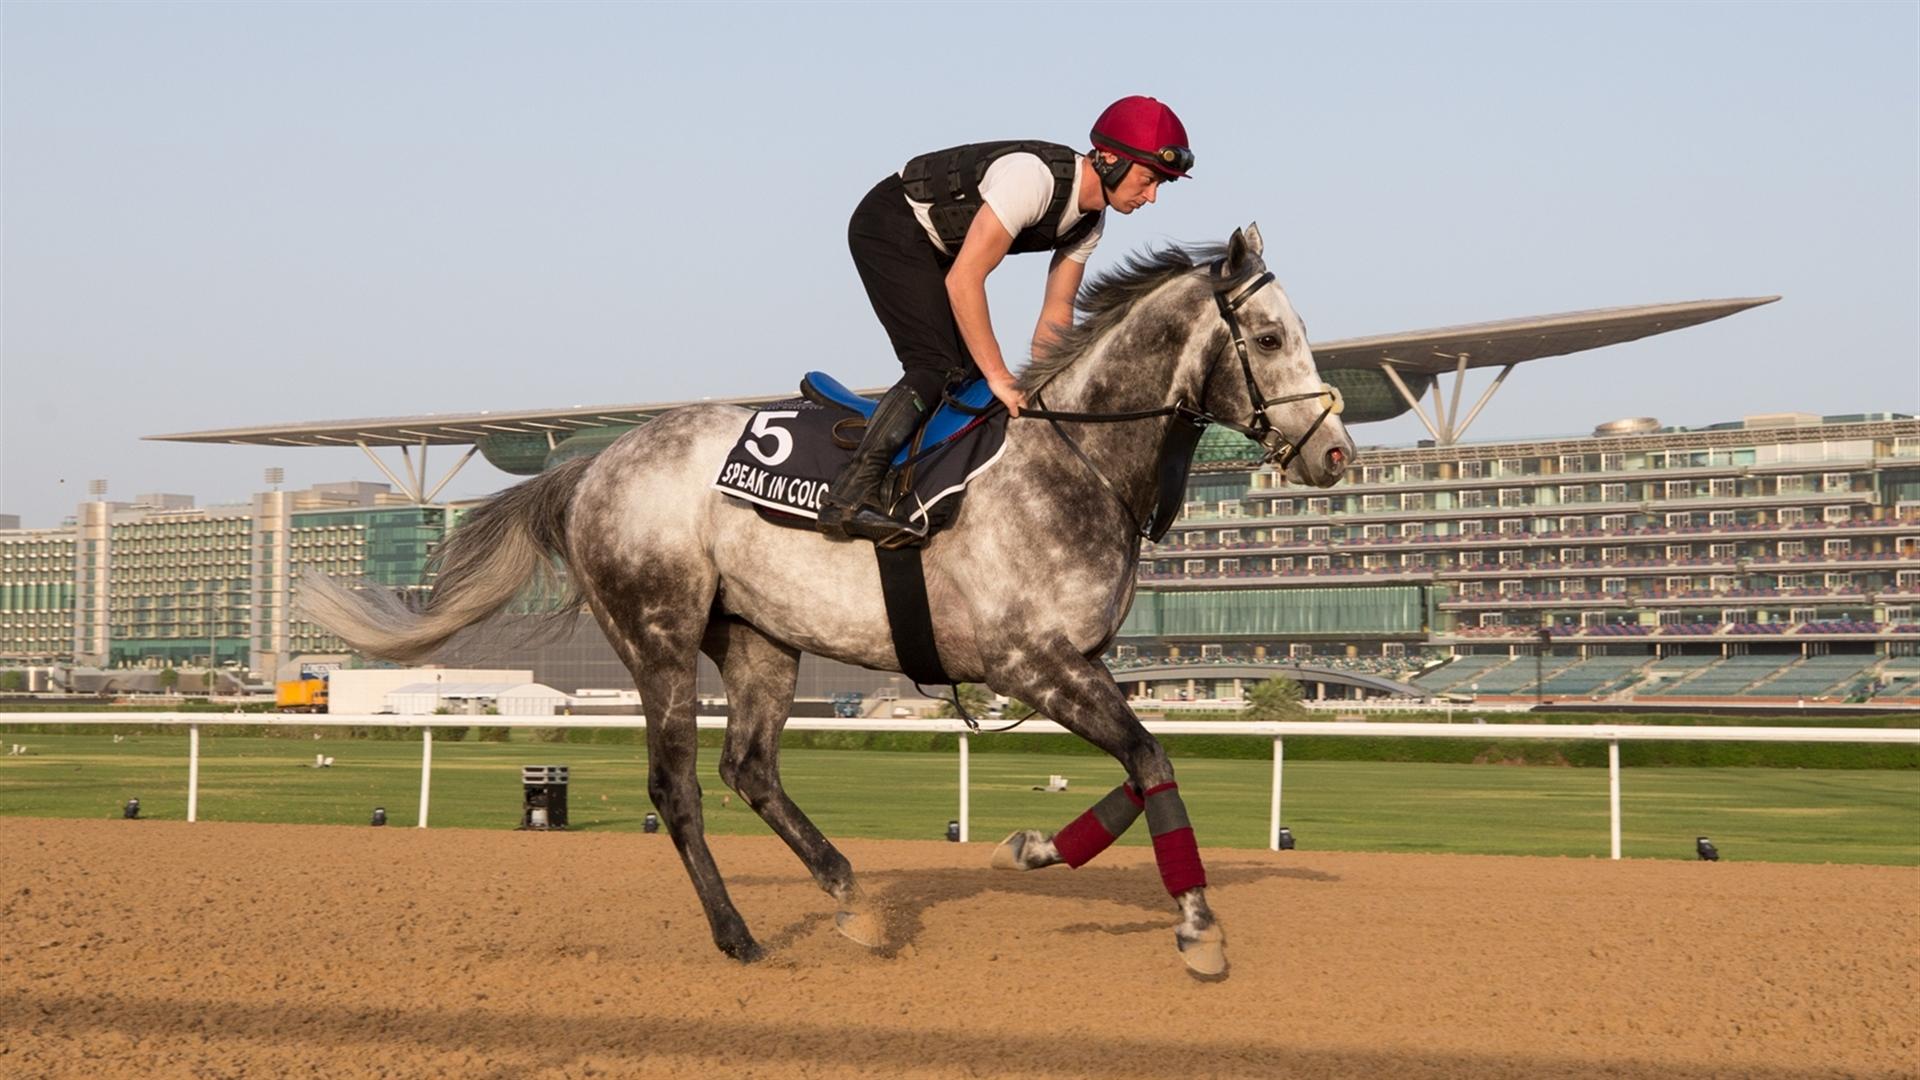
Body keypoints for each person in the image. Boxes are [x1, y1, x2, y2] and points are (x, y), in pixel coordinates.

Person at [816, 95, 1194, 541]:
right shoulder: (1031, 181)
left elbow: (1057, 312)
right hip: (889, 227)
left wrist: (1047, 388)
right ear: (1110, 159)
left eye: (1159, 187)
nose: (1151, 197)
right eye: (1149, 179)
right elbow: (964, 280)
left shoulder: (1090, 224)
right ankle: (848, 498)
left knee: (970, 388)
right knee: (935, 367)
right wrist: (999, 375)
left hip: (937, 251)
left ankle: (914, 494)